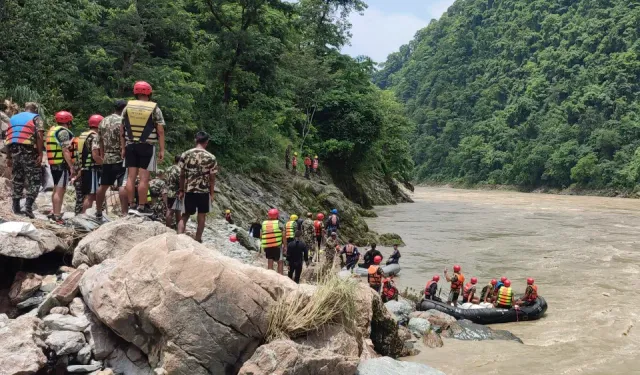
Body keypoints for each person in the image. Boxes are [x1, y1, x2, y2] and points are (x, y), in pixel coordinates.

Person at [121, 81, 166, 216]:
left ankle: (131, 205)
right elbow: (160, 130)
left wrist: (123, 147)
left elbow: (121, 129)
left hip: (130, 145)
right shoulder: (154, 108)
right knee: (144, 178)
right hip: (146, 146)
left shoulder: (127, 107)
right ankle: (141, 207)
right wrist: (162, 149)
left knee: (130, 177)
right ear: (149, 93)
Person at [5, 102, 44, 218]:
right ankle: (28, 207)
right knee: (35, 179)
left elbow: (9, 137)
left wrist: (8, 156)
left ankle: (16, 207)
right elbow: (39, 136)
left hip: (14, 150)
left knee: (18, 178)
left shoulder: (13, 118)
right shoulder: (36, 118)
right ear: (35, 110)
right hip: (28, 150)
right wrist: (40, 154)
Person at [177, 131, 217, 243]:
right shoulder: (211, 157)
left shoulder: (185, 154)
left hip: (189, 190)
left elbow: (182, 175)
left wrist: (181, 190)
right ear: (207, 142)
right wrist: (212, 193)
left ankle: (179, 237)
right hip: (203, 191)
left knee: (185, 215)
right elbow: (212, 178)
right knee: (201, 216)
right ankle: (198, 239)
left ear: (196, 140)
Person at [94, 100, 128, 220]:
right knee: (122, 185)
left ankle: (98, 211)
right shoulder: (123, 121)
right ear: (124, 109)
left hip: (107, 158)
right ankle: (124, 214)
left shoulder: (103, 121)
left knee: (103, 186)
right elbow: (125, 138)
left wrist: (103, 156)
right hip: (121, 157)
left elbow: (100, 141)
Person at [46, 111, 75, 224]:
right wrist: (71, 166)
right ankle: (57, 217)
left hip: (54, 163)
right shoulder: (63, 132)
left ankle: (54, 213)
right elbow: (65, 150)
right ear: (67, 121)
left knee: (56, 189)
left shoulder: (53, 129)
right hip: (60, 164)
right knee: (60, 190)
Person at [73, 115, 103, 214]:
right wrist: (105, 164)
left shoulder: (83, 135)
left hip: (81, 169)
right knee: (90, 195)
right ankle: (84, 217)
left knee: (84, 195)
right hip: (91, 169)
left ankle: (79, 215)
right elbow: (95, 155)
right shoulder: (95, 136)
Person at [261, 208, 285, 274]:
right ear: (277, 215)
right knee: (280, 261)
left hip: (268, 245)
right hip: (277, 245)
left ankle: (270, 275)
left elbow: (261, 235)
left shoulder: (264, 223)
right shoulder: (279, 223)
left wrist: (263, 244)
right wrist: (285, 246)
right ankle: (280, 276)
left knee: (270, 260)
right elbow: (283, 235)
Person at [164, 155, 181, 228]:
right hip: (177, 192)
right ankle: (178, 228)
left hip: (169, 191)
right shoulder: (180, 170)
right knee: (176, 211)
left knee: (170, 210)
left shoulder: (168, 169)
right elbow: (181, 181)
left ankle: (168, 227)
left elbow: (165, 180)